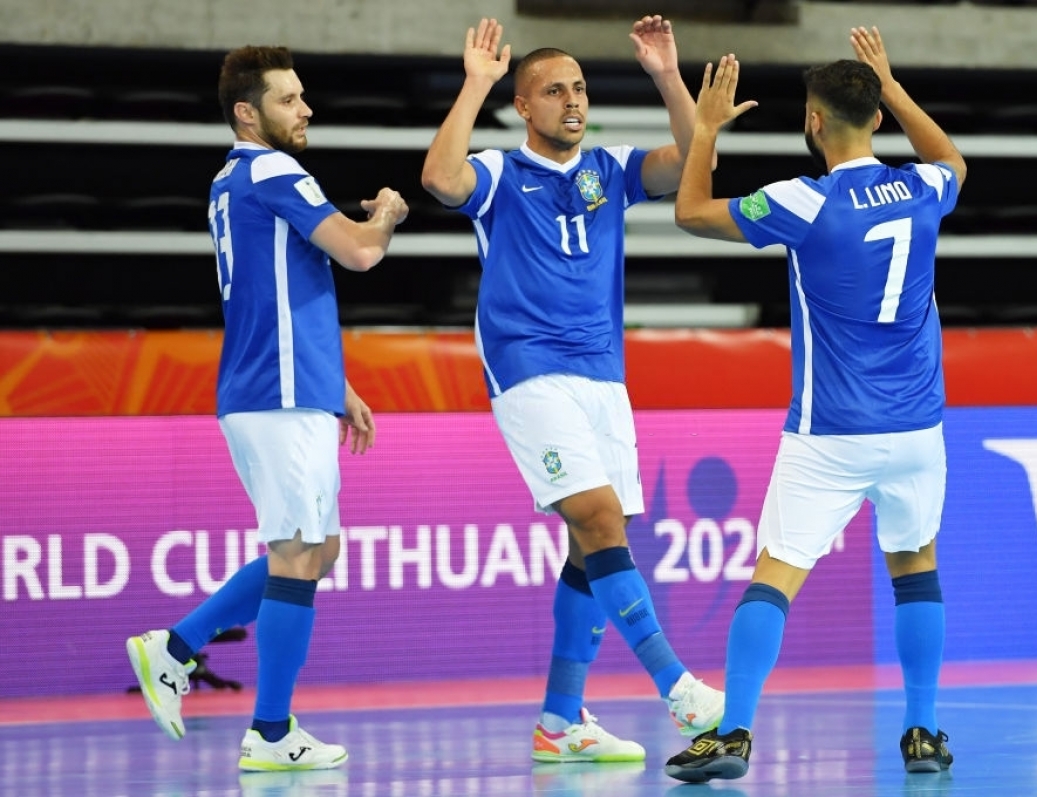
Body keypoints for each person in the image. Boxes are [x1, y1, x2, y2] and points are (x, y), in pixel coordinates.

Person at [663, 26, 967, 782]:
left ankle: (731, 733)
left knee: (775, 574)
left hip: (831, 429)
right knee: (916, 567)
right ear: (877, 116)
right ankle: (924, 731)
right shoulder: (924, 188)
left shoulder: (804, 200)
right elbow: (953, 161)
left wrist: (705, 129)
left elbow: (691, 210)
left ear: (813, 122)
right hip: (918, 429)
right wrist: (894, 87)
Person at [420, 16, 724, 764]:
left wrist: (665, 77)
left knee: (595, 543)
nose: (572, 101)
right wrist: (475, 84)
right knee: (595, 515)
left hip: (602, 374)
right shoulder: (499, 172)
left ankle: (560, 721)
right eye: (554, 91)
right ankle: (680, 688)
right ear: (525, 106)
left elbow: (693, 156)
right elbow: (438, 178)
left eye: (580, 88)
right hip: (528, 367)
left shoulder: (608, 170)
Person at [126, 44, 408, 772]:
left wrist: (335, 384)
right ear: (248, 113)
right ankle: (270, 731)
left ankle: (177, 645)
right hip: (275, 394)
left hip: (293, 387)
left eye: (304, 96)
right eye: (289, 99)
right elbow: (358, 254)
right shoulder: (274, 169)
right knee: (295, 553)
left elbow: (283, 291)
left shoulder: (231, 181)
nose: (306, 109)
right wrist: (385, 217)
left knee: (318, 551)